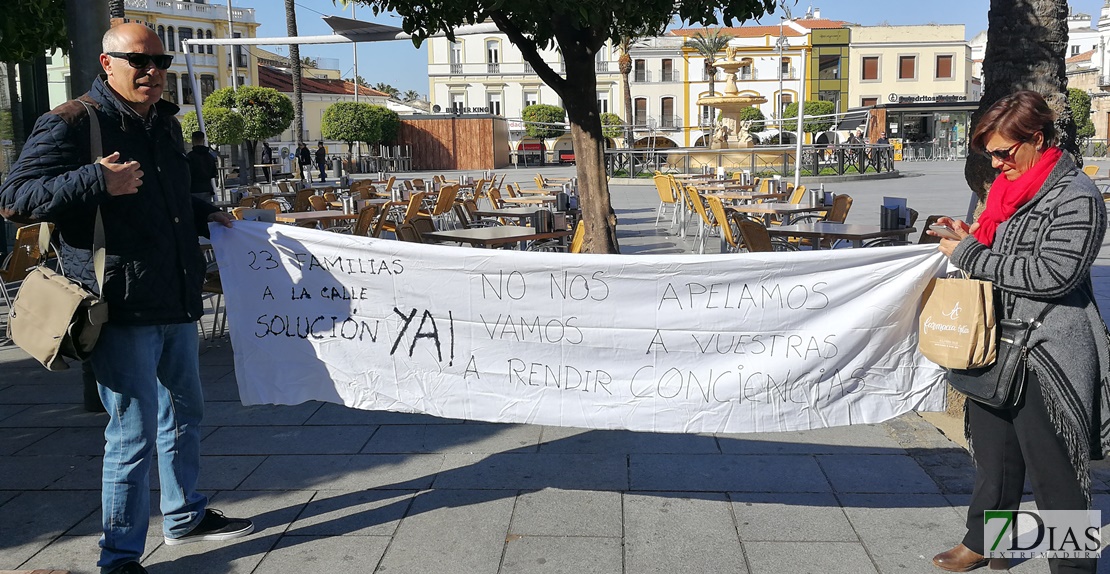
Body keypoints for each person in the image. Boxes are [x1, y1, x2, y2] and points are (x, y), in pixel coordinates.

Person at [0, 23, 252, 574]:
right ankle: (118, 559)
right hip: (117, 305)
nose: (152, 72)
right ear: (106, 62)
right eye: (139, 62)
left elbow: (159, 195)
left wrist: (201, 209)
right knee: (132, 433)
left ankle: (184, 516)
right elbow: (14, 199)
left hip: (176, 296)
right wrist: (94, 180)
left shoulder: (163, 123)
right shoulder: (71, 122)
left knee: (185, 412)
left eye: (160, 62)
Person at [927, 91, 1109, 574]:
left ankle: (1073, 568)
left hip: (1049, 353)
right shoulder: (1009, 192)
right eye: (989, 153)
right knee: (996, 462)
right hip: (995, 344)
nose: (996, 162)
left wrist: (967, 255)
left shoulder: (1077, 197)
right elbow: (1002, 254)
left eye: (1004, 152)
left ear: (1039, 139)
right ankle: (989, 542)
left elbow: (1054, 275)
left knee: (1058, 477)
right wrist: (970, 236)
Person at [185, 130, 217, 201]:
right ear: (203, 140)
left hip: (193, 189)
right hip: (207, 188)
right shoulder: (210, 156)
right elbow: (213, 173)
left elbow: (186, 174)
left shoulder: (189, 156)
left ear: (192, 140)